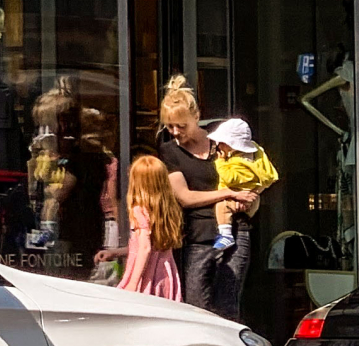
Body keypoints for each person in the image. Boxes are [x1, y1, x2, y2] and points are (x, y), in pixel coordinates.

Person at [155, 75, 262, 318]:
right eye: (169, 126)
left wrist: (249, 198)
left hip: (236, 229)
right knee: (195, 305)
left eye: (181, 126)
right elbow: (184, 197)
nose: (175, 132)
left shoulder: (225, 143)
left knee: (227, 304)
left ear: (196, 116)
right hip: (198, 234)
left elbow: (251, 178)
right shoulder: (169, 151)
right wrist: (227, 192)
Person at [115, 154, 182, 301]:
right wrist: (114, 253)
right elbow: (144, 246)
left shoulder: (139, 209)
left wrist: (133, 283)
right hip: (164, 275)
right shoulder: (166, 209)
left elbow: (145, 248)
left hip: (147, 278)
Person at [205, 118, 276, 250]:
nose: (218, 146)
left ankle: (226, 235)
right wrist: (255, 192)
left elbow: (229, 178)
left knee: (221, 207)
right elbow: (270, 177)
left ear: (231, 145)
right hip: (253, 199)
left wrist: (220, 162)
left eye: (222, 143)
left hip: (235, 198)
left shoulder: (239, 162)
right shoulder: (256, 155)